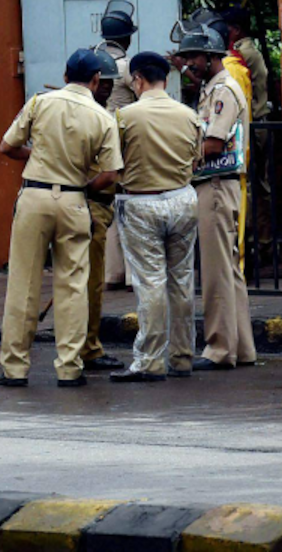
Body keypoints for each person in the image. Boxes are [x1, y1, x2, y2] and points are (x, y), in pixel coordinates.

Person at [0, 50, 122, 389]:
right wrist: (83, 186)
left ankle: (14, 368)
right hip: (74, 201)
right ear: (96, 80)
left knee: (23, 283)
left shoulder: (40, 103)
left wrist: (37, 155)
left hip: (34, 196)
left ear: (65, 76)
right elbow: (110, 174)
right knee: (73, 286)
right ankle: (69, 367)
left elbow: (7, 147)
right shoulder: (103, 117)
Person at [109, 52, 202, 382]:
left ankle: (149, 361)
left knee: (150, 283)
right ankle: (182, 356)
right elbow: (196, 161)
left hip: (141, 203)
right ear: (165, 78)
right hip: (182, 199)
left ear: (137, 79)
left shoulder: (125, 117)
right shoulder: (189, 115)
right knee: (182, 281)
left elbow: (112, 162)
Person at [176, 21, 258, 370]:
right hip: (218, 186)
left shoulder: (223, 90)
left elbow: (212, 144)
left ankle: (220, 348)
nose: (188, 64)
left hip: (215, 185)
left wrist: (178, 159)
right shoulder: (213, 88)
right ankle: (242, 348)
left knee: (216, 272)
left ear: (210, 56)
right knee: (228, 270)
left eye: (193, 57)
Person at [78, 44, 128, 373]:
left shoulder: (103, 115)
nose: (107, 88)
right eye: (104, 82)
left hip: (97, 205)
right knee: (90, 283)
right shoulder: (95, 117)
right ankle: (88, 348)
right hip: (90, 204)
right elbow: (108, 172)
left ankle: (82, 345)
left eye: (112, 83)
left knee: (84, 281)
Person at [223, 6, 274, 267]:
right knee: (258, 185)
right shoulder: (249, 50)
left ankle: (256, 242)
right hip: (258, 122)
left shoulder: (242, 55)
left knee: (252, 186)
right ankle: (262, 241)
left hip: (253, 124)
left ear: (236, 30)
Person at [99, 0, 138, 289]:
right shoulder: (125, 67)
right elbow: (143, 96)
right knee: (130, 203)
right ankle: (132, 274)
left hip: (101, 137)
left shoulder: (95, 61)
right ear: (126, 38)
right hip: (124, 139)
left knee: (109, 203)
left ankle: (112, 272)